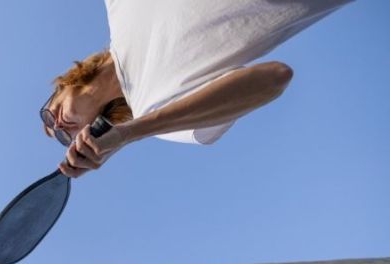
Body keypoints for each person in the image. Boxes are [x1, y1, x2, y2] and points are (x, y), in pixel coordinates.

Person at [41, 0, 354, 178]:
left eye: (47, 115)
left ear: (63, 84)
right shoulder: (159, 114)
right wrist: (130, 132)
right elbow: (274, 77)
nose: (56, 126)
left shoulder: (119, 8)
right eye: (59, 136)